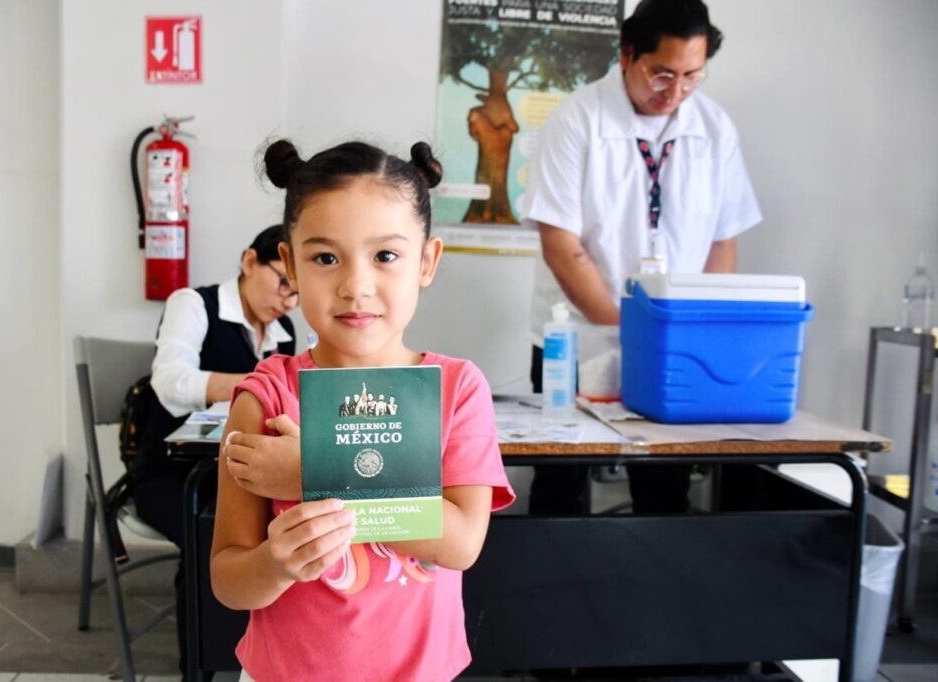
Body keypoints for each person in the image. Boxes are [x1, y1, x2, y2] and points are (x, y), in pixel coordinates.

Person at [210, 139, 515, 681]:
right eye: (325, 258)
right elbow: (229, 580)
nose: (356, 286)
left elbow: (461, 542)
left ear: (426, 261)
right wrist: (272, 565)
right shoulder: (267, 397)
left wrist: (312, 471)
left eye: (386, 256)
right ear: (290, 265)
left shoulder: (456, 389)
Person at [522, 0, 762, 515]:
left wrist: (690, 331)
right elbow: (561, 244)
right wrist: (628, 332)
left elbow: (723, 239)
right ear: (627, 54)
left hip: (675, 347)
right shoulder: (577, 119)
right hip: (577, 342)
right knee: (562, 483)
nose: (675, 93)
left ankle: (653, 592)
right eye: (662, 75)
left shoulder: (714, 128)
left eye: (692, 77)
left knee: (664, 484)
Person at [132, 224, 299, 675]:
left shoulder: (283, 333)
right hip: (171, 472)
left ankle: (265, 655)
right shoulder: (194, 304)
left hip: (240, 473)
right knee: (207, 533)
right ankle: (201, 666)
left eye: (296, 292)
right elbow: (168, 382)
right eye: (282, 281)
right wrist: (254, 388)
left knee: (287, 528)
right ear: (249, 262)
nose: (287, 301)